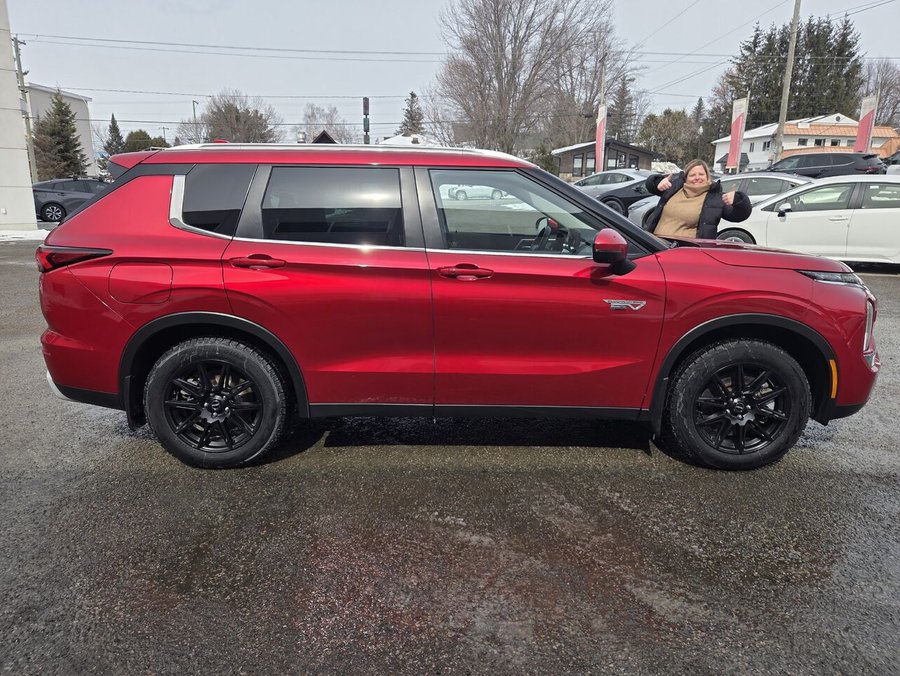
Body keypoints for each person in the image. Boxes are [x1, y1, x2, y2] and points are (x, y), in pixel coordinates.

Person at [644, 159, 751, 239]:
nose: (697, 178)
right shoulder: (674, 188)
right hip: (656, 245)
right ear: (685, 178)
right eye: (692, 175)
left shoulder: (715, 198)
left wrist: (738, 200)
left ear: (707, 177)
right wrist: (658, 182)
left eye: (701, 174)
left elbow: (739, 216)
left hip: (684, 252)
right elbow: (650, 186)